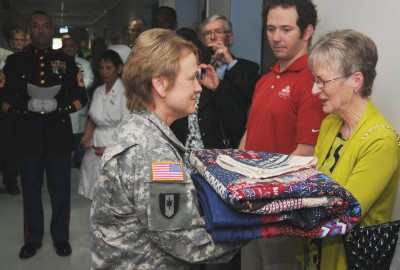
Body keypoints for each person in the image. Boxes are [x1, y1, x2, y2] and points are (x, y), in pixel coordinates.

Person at [90, 29, 244, 269]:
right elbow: (188, 244)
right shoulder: (155, 155)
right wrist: (255, 227)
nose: (198, 88)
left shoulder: (136, 127)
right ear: (160, 84)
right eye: (191, 78)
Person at [296, 29, 400, 270]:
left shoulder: (380, 141)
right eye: (314, 80)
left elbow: (345, 211)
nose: (314, 90)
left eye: (322, 81)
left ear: (356, 81)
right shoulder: (330, 123)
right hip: (315, 253)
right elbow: (313, 181)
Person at [239, 1, 325, 269]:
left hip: (282, 212)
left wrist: (262, 193)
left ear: (307, 31)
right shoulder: (266, 79)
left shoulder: (312, 80)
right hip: (251, 206)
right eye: (271, 28)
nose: (276, 37)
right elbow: (249, 134)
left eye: (286, 29)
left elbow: (306, 153)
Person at [0, 10, 87, 259]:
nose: (41, 30)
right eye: (36, 26)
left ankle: (60, 237)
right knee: (30, 191)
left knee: (60, 191)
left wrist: (60, 107)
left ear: (51, 30)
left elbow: (82, 98)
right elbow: (2, 98)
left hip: (58, 137)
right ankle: (32, 238)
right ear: (30, 30)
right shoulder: (15, 63)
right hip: (26, 138)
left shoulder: (67, 62)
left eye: (46, 26)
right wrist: (21, 108)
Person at [170, 27, 243, 173]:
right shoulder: (168, 89)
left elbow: (236, 123)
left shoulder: (211, 83)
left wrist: (217, 88)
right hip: (176, 167)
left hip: (213, 168)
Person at [78, 50, 129, 200]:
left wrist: (111, 148)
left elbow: (127, 125)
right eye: (101, 68)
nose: (104, 72)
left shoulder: (125, 92)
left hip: (115, 143)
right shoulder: (98, 91)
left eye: (109, 67)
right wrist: (86, 138)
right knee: (93, 192)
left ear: (119, 69)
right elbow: (93, 119)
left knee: (112, 194)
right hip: (95, 144)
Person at [201, 14, 260, 121]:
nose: (212, 37)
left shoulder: (248, 68)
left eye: (218, 32)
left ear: (230, 37)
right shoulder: (198, 65)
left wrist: (231, 63)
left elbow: (253, 96)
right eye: (208, 33)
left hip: (232, 131)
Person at [61, 36, 94, 168]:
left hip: (79, 106)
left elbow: (89, 80)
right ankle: (64, 159)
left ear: (76, 48)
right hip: (62, 105)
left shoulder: (84, 64)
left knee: (79, 135)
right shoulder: (57, 63)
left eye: (71, 45)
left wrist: (73, 88)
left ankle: (78, 159)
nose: (69, 48)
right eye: (66, 46)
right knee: (63, 136)